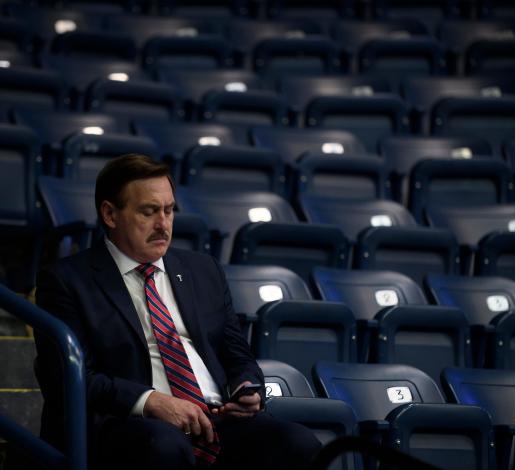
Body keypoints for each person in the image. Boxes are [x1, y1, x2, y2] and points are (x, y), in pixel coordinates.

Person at [34, 154, 321, 469]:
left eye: (169, 210)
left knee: (298, 443)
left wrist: (246, 386)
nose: (163, 224)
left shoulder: (202, 269)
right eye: (149, 211)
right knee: (164, 446)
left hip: (214, 419)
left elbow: (236, 352)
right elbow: (68, 377)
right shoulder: (67, 280)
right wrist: (151, 401)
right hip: (129, 423)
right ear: (110, 214)